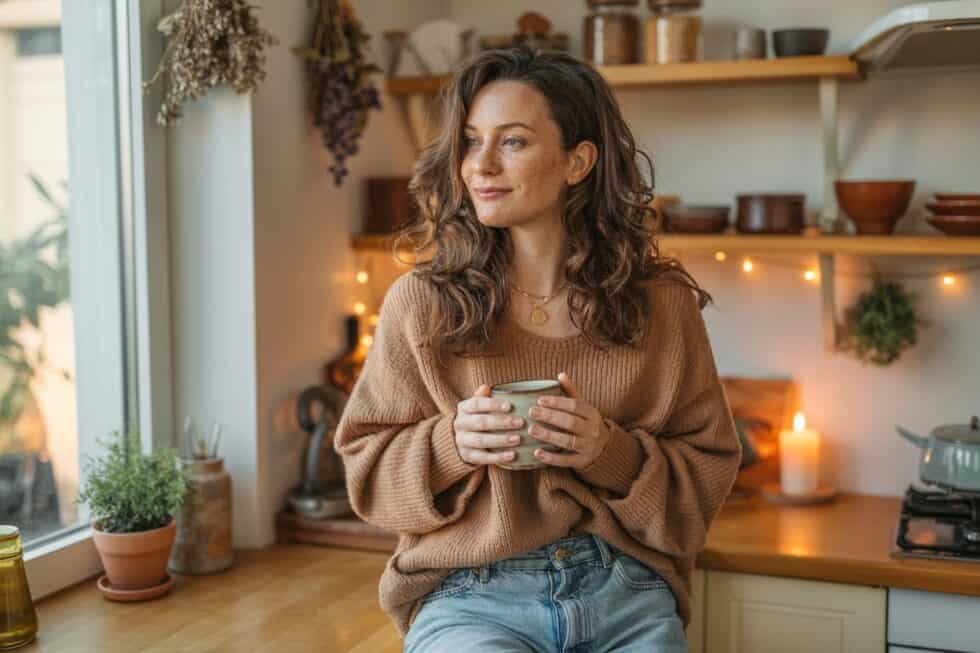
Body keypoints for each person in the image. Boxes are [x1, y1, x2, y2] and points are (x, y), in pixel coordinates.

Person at [334, 47, 741, 652]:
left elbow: (705, 480)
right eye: (471, 141)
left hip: (626, 591)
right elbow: (366, 473)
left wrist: (610, 452)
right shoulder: (419, 304)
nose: (480, 166)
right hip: (470, 593)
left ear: (578, 161)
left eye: (513, 142)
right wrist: (452, 444)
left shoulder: (662, 306)